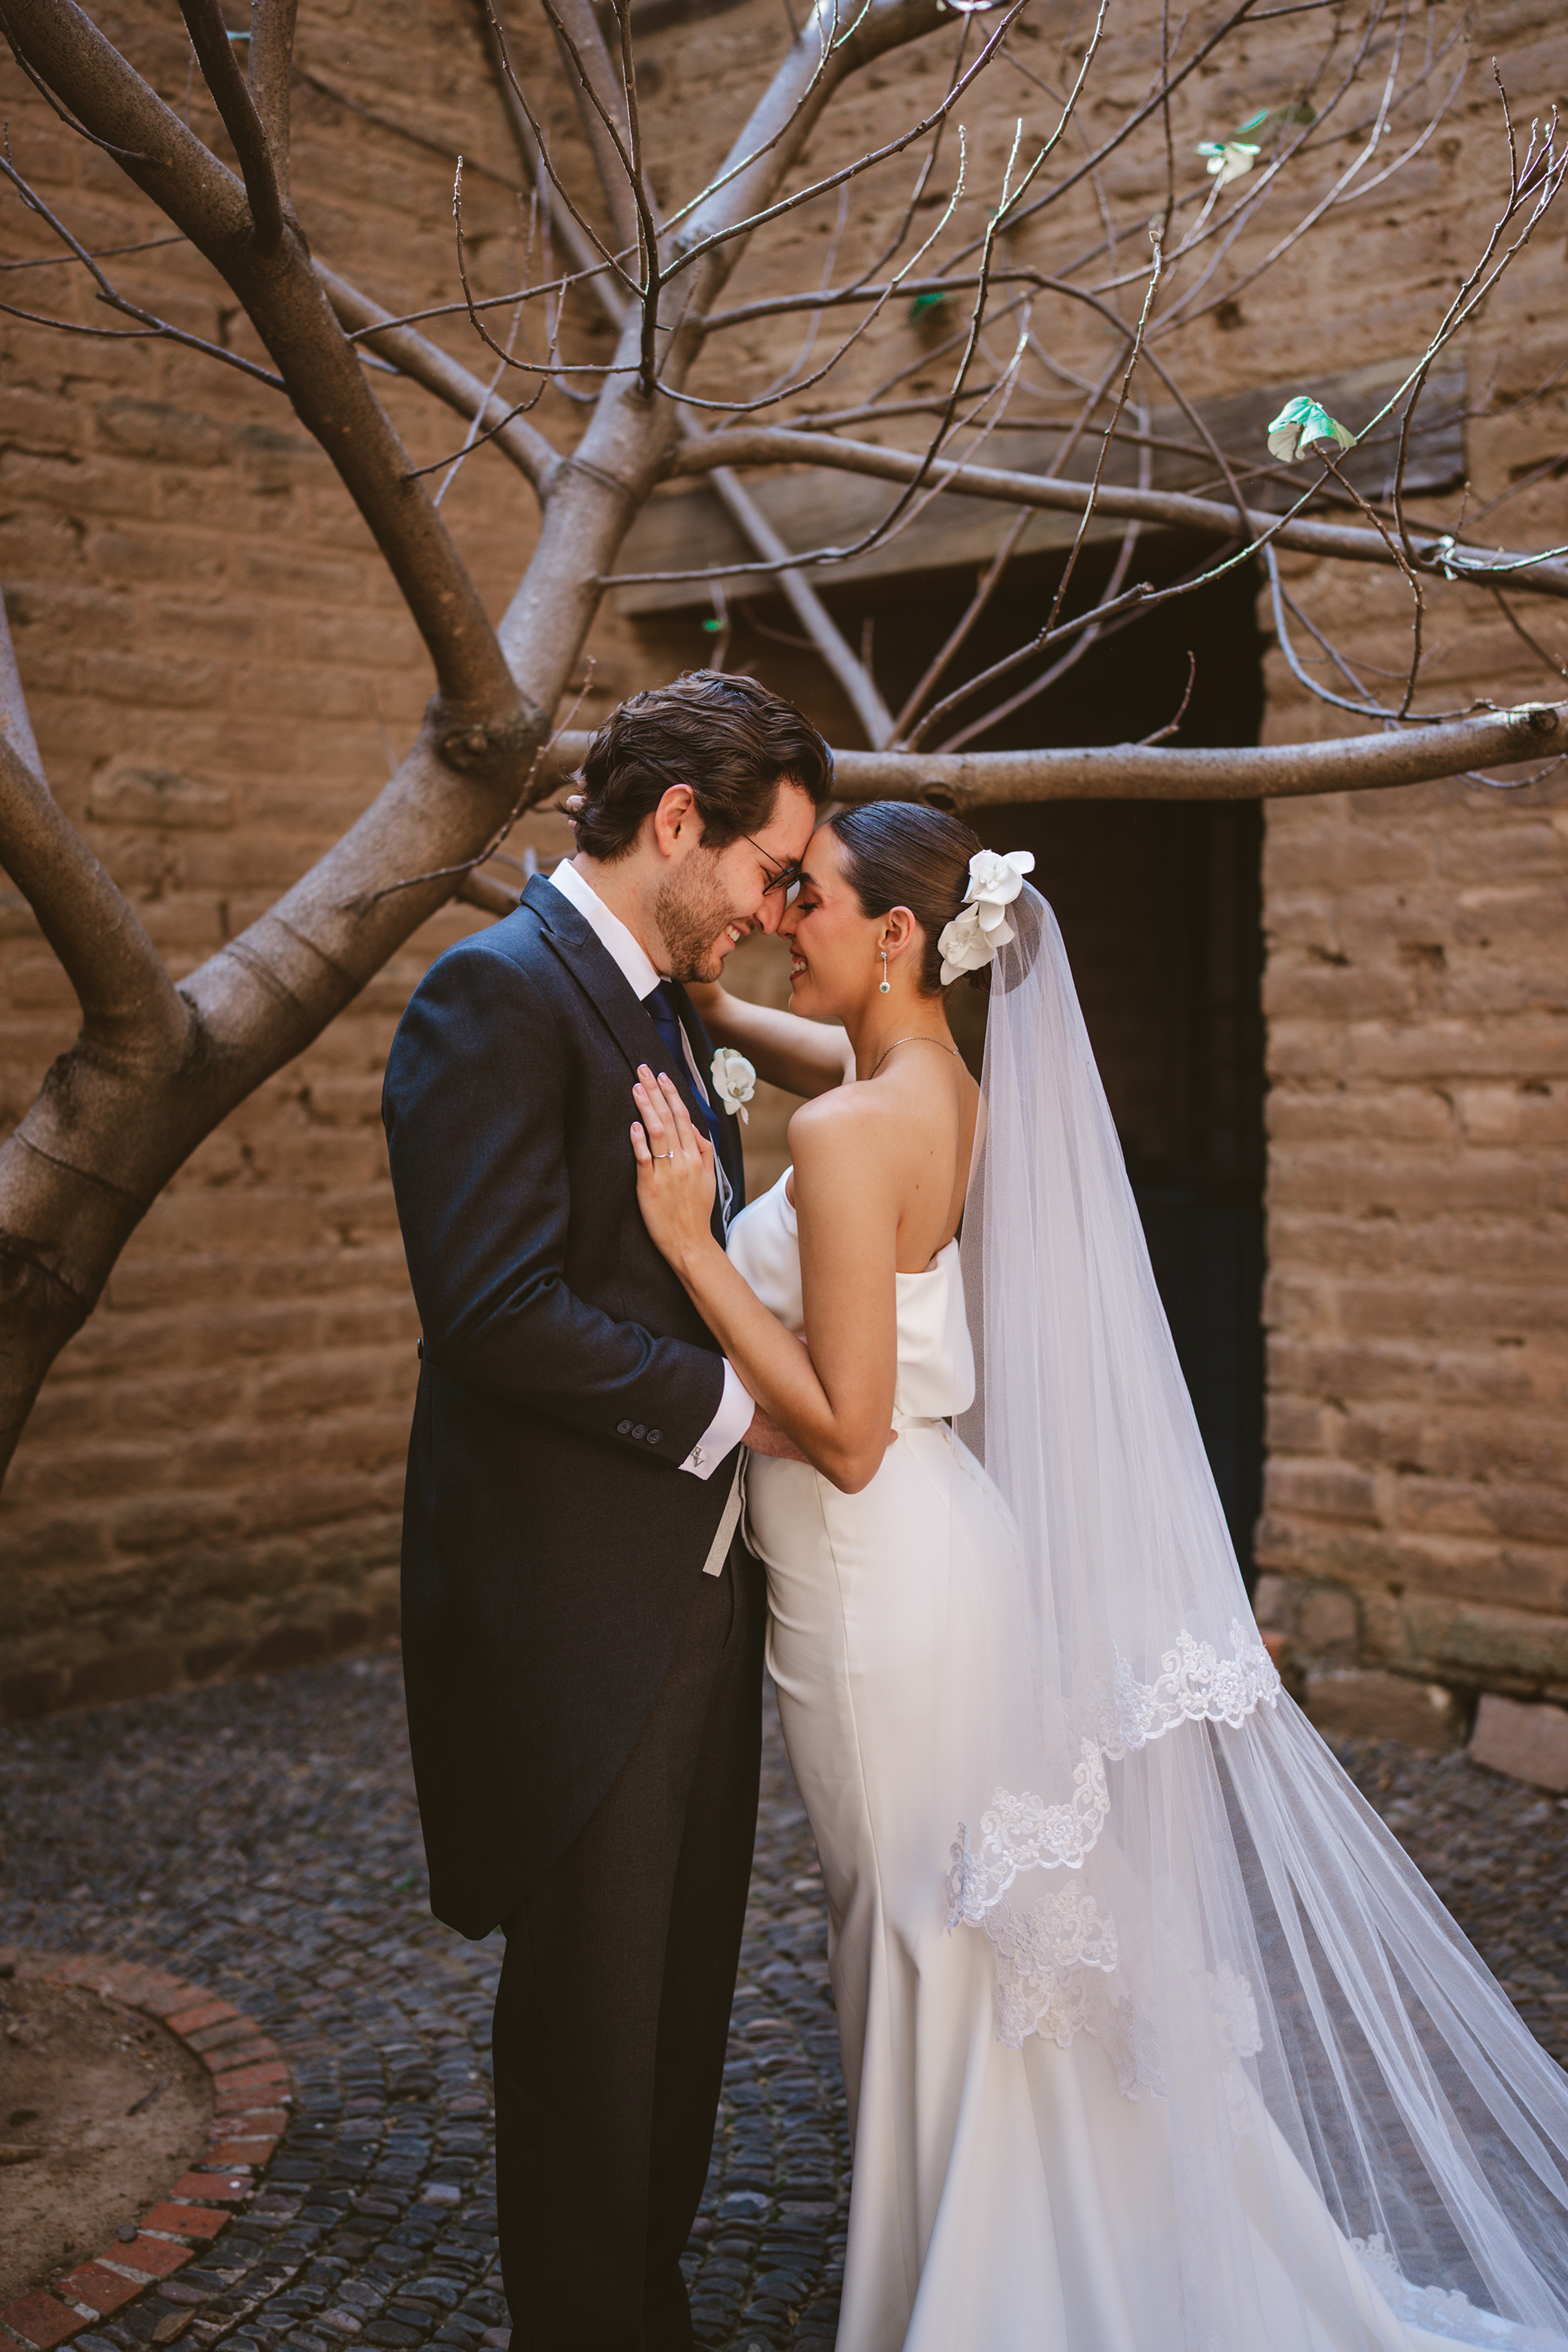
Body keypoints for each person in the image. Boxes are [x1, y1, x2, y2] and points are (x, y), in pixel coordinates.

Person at [629, 799, 1568, 2352]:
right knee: (968, 1932)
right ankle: (999, 2236)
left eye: (812, 900)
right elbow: (847, 1074)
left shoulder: (856, 1131)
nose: (789, 914)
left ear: (900, 938)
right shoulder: (939, 1084)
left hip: (878, 1577)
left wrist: (691, 1245)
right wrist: (711, 1003)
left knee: (923, 1933)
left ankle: (984, 2281)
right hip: (948, 1558)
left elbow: (850, 1436)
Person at [381, 670, 830, 2352]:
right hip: (582, 1610)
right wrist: (742, 1410)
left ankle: (644, 2303)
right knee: (589, 2026)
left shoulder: (655, 998)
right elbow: (489, 1310)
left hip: (703, 1584)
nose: (778, 912)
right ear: (673, 825)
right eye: (770, 873)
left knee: (679, 2006)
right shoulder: (493, 997)